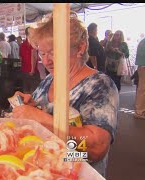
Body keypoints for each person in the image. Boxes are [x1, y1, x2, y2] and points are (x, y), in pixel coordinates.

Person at [11, 12, 118, 177]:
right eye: (42, 54)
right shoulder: (48, 80)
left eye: (53, 52)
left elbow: (95, 150)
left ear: (80, 48)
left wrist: (41, 120)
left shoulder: (99, 85)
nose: (46, 61)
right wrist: (33, 106)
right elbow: (42, 115)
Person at [19, 27, 40, 93]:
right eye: (32, 32)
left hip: (24, 71)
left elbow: (20, 58)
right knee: (35, 92)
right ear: (28, 34)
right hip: (32, 72)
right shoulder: (32, 44)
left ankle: (26, 103)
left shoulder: (22, 45)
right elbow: (33, 56)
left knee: (26, 91)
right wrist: (32, 69)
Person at [134, 37, 145, 119]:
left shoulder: (142, 41)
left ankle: (140, 111)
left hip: (142, 66)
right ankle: (140, 111)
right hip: (143, 67)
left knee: (142, 89)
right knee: (142, 89)